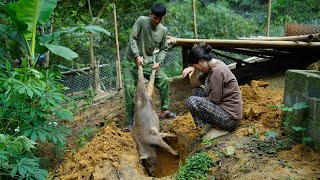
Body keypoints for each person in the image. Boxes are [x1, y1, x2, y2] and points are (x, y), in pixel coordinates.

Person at [122, 3, 178, 132]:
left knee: (164, 80)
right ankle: (131, 121)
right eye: (155, 18)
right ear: (150, 14)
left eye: (160, 18)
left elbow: (164, 48)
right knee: (130, 89)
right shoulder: (141, 21)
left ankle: (164, 110)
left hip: (147, 63)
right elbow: (132, 39)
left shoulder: (163, 30)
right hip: (131, 62)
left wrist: (159, 61)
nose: (157, 21)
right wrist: (136, 55)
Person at [182, 44, 242, 136]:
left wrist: (199, 102)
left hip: (230, 119)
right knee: (196, 92)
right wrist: (194, 69)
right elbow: (195, 85)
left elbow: (215, 100)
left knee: (192, 101)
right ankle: (213, 124)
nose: (199, 70)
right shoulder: (212, 66)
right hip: (224, 110)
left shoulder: (217, 71)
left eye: (198, 67)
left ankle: (222, 128)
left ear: (201, 61)